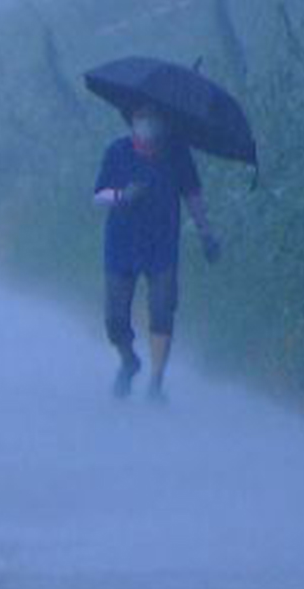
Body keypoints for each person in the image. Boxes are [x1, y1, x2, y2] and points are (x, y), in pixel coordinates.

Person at [92, 105, 222, 400]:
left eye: (152, 119)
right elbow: (98, 194)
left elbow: (192, 194)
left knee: (163, 310)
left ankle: (156, 380)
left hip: (162, 245)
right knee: (114, 317)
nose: (147, 125)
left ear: (163, 123)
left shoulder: (177, 154)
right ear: (132, 122)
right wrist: (122, 196)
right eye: (141, 119)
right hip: (121, 245)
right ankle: (129, 360)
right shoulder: (117, 152)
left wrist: (206, 232)